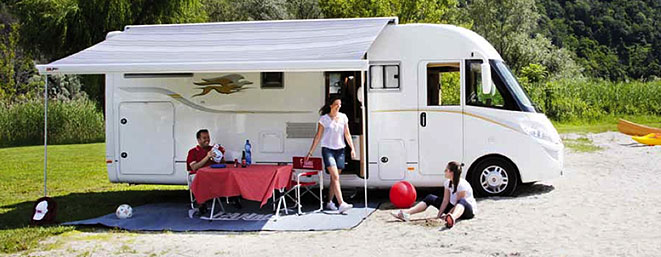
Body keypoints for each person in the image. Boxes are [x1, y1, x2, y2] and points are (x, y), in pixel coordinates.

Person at [304, 97, 356, 213]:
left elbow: (347, 134)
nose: (339, 107)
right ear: (331, 105)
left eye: (340, 105)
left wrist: (352, 148)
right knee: (336, 177)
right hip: (328, 150)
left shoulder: (343, 117)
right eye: (337, 105)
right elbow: (318, 136)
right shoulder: (324, 119)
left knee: (334, 178)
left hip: (340, 150)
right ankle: (341, 203)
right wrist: (310, 152)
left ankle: (329, 202)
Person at [390, 161, 478, 229]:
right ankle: (406, 213)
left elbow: (457, 204)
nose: (444, 171)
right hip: (453, 208)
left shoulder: (462, 184)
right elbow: (445, 201)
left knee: (461, 201)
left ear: (452, 173)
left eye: (446, 170)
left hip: (466, 211)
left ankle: (452, 218)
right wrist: (438, 216)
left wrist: (448, 215)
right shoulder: (447, 183)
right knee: (430, 198)